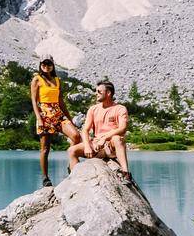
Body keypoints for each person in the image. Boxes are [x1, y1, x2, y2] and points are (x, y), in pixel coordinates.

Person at [69, 78, 133, 183]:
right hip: (97, 145)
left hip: (111, 146)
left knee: (118, 139)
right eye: (96, 91)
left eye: (99, 92)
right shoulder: (93, 109)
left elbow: (123, 128)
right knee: (72, 151)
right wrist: (87, 146)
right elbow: (85, 130)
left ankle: (126, 173)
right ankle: (75, 179)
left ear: (108, 93)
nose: (96, 94)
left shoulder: (120, 108)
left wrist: (105, 138)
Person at [30, 56, 78, 187]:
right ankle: (45, 177)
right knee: (45, 148)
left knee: (76, 136)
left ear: (53, 65)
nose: (46, 66)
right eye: (44, 63)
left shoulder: (57, 80)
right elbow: (34, 100)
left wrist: (69, 118)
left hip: (57, 112)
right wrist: (39, 118)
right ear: (40, 65)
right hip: (44, 113)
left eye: (49, 63)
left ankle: (70, 165)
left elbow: (61, 100)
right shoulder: (37, 79)